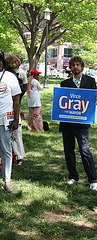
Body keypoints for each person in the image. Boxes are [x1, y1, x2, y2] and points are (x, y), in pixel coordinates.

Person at [59, 56, 97, 191]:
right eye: (73, 65)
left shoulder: (90, 82)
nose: (75, 67)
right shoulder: (64, 84)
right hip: (67, 123)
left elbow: (93, 103)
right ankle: (73, 176)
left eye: (78, 65)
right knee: (68, 150)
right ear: (70, 67)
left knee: (85, 150)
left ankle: (93, 179)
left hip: (82, 123)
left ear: (82, 67)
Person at [0, 50, 21, 192]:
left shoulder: (9, 76)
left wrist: (16, 119)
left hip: (5, 119)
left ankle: (7, 180)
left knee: (6, 149)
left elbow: (16, 100)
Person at [6, 53, 29, 162]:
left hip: (9, 107)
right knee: (16, 132)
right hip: (11, 107)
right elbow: (16, 96)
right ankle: (19, 155)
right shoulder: (12, 76)